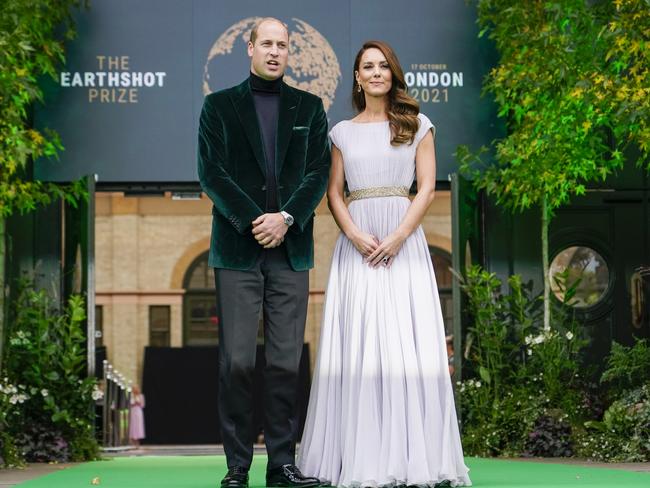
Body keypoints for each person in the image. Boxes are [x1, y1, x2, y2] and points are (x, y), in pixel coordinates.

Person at [297, 40, 472, 487]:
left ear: (393, 74)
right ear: (356, 77)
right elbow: (334, 192)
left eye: (383, 66)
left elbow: (428, 188)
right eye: (367, 67)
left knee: (404, 344)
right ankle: (358, 458)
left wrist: (397, 238)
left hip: (404, 242)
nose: (376, 73)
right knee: (359, 344)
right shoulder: (340, 132)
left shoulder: (418, 125)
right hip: (356, 246)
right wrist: (354, 234)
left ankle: (415, 458)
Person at [197, 17, 330, 488]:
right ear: (249, 47)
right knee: (235, 361)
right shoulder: (218, 106)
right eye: (266, 43)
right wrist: (258, 220)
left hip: (291, 252)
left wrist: (286, 218)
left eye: (283, 44)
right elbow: (212, 174)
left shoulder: (311, 108)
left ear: (289, 52)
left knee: (284, 362)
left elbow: (317, 174)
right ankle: (237, 468)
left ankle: (282, 464)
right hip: (237, 251)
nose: (275, 51)